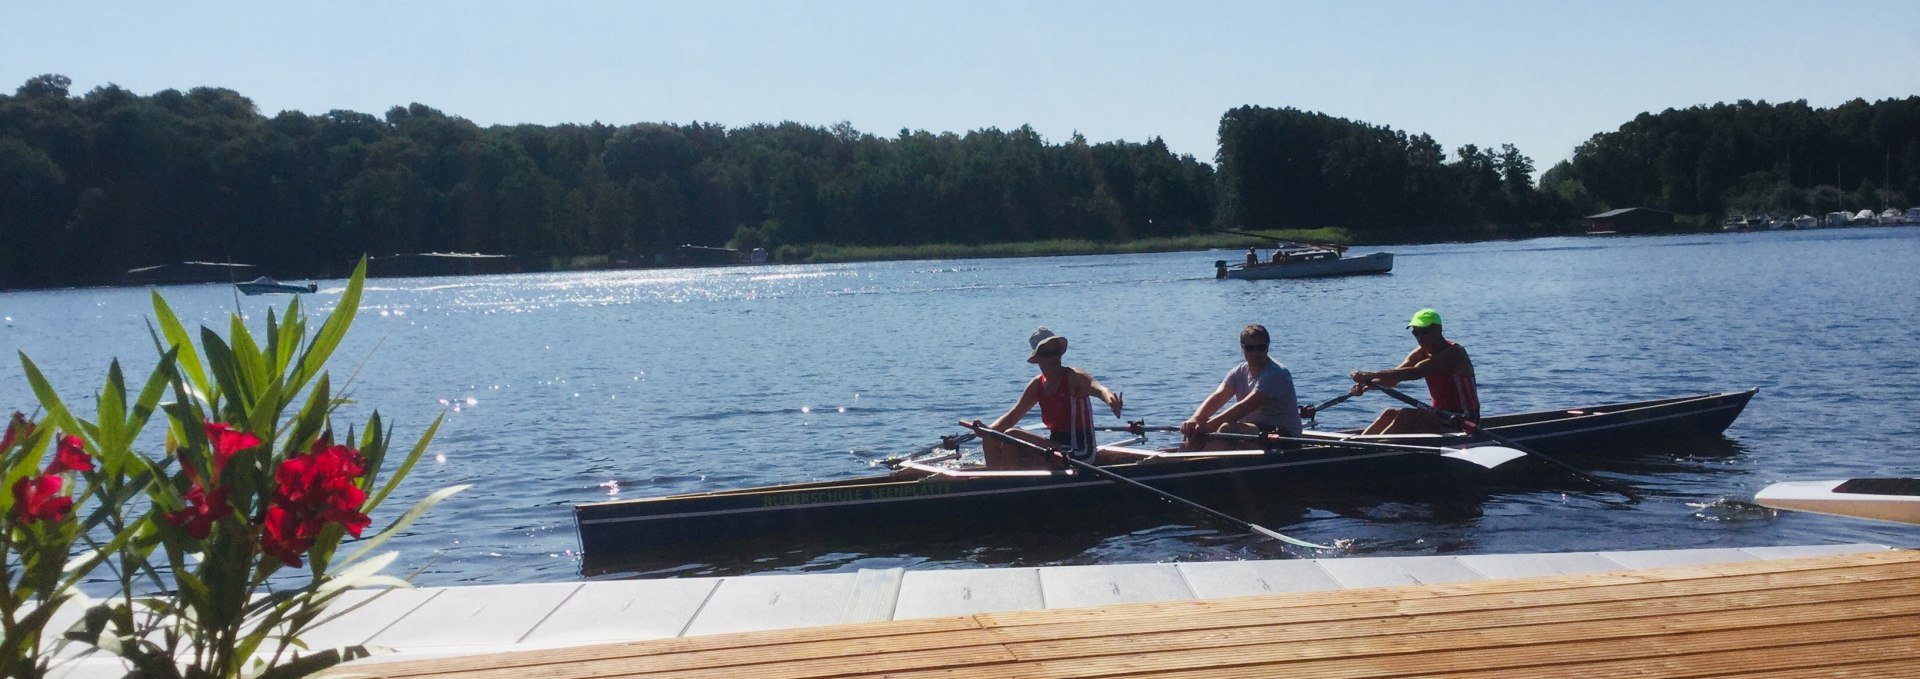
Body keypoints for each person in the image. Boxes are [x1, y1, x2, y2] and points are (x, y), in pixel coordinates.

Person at [975, 327, 1124, 470]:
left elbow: (1098, 387)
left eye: (1056, 352)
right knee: (991, 438)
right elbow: (1011, 418)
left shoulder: (1073, 376)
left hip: (1080, 452)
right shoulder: (1036, 385)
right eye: (1047, 353)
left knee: (1012, 435)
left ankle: (1008, 484)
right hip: (1055, 446)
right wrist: (986, 430)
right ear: (1037, 358)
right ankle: (995, 484)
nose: (1053, 357)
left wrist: (1111, 400)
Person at [1348, 308, 1479, 435]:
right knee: (1389, 413)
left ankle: (1373, 451)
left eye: (1424, 332)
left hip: (1463, 419)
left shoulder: (1454, 352)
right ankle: (1355, 449)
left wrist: (1371, 374)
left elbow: (1416, 372)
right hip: (1441, 415)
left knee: (1406, 415)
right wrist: (1366, 386)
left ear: (1438, 330)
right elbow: (1393, 379)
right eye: (1416, 333)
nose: (1420, 338)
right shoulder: (1420, 353)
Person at [1180, 324, 1302, 451]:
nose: (1256, 352)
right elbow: (1218, 397)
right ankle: (1180, 463)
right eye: (1250, 348)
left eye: (1261, 347)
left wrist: (1207, 426)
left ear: (1268, 348)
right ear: (1242, 348)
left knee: (1226, 429)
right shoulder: (1239, 372)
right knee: (1196, 430)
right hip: (1254, 432)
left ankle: (1205, 463)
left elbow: (1245, 407)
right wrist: (1195, 420)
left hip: (1284, 438)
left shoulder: (1276, 373)